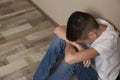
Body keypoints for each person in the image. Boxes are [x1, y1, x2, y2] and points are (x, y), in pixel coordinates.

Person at [33, 11, 120, 80]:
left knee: (73, 61)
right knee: (59, 40)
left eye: (82, 41)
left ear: (92, 34)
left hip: (98, 76)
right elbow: (58, 29)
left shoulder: (109, 41)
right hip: (89, 61)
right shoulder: (94, 24)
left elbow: (69, 59)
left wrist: (69, 42)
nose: (81, 42)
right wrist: (80, 47)